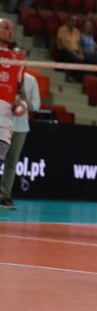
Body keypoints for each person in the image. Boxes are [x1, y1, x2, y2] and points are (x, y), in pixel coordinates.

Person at [1, 68, 39, 209]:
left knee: (11, 162)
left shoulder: (31, 80)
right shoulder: (4, 73)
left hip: (20, 128)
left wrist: (24, 103)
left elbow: (37, 104)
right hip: (3, 123)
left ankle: (4, 196)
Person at [0, 20, 28, 187]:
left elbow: (20, 91)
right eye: (5, 28)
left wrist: (22, 104)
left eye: (12, 29)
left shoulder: (18, 60)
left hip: (5, 116)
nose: (10, 31)